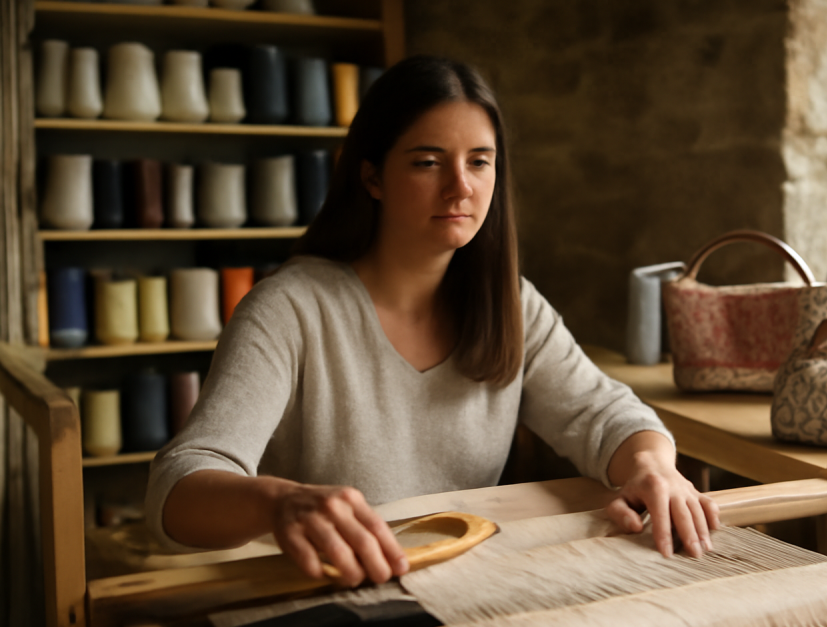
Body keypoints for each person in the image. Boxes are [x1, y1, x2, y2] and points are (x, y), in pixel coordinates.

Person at [145, 55, 719, 588]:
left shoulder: (511, 305)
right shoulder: (289, 310)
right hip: (322, 600)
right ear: (371, 177)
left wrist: (652, 467)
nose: (460, 186)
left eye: (479, 161)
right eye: (427, 162)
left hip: (469, 591)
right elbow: (180, 484)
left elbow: (604, 412)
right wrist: (278, 502)